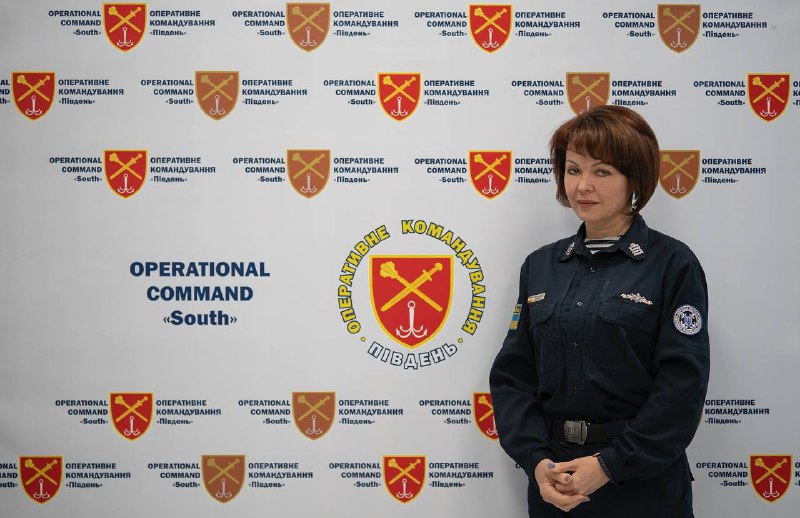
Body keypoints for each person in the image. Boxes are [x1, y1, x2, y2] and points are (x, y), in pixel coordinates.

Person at [490, 105, 710, 517]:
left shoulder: (672, 265)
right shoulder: (540, 266)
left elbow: (682, 386)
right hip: (556, 485)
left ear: (635, 180)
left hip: (642, 488)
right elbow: (513, 376)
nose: (583, 186)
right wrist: (537, 462)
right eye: (573, 170)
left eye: (602, 172)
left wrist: (610, 465)